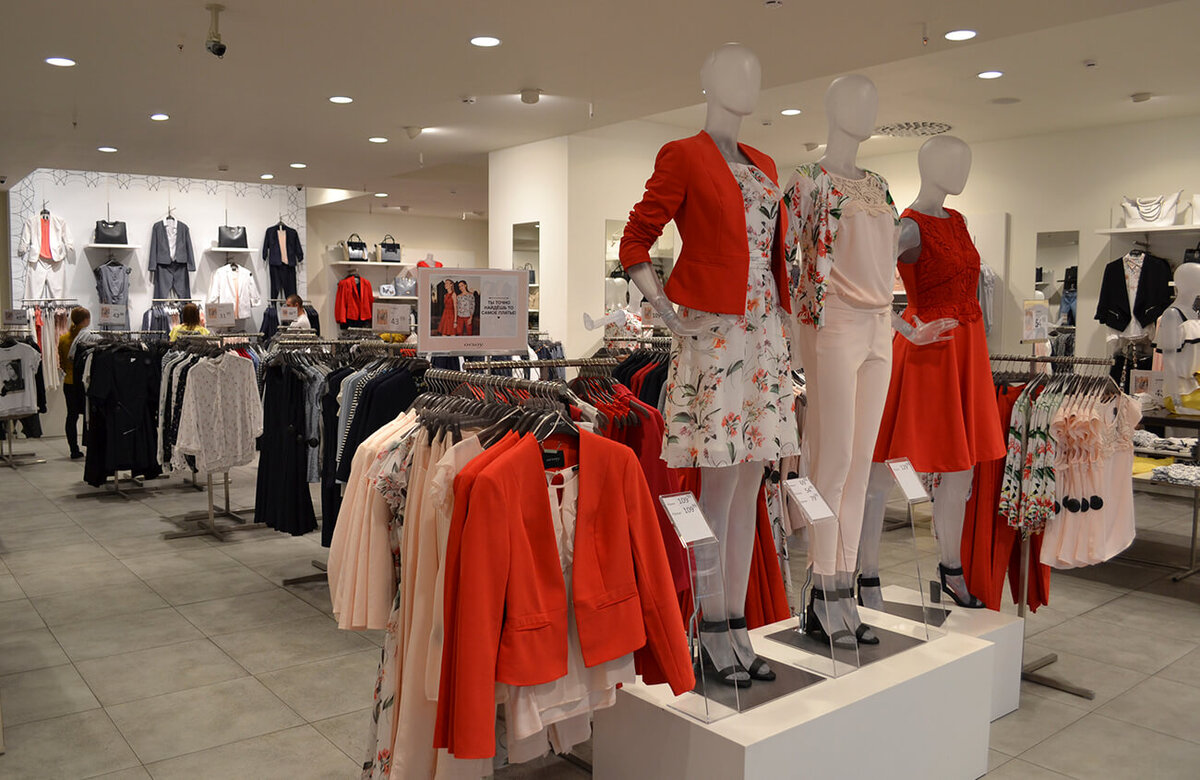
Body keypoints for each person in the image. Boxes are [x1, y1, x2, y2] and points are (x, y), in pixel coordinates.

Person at [57, 306, 90, 459]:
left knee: (72, 416)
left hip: (69, 382)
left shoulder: (63, 339)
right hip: (84, 382)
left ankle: (74, 449)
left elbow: (62, 363)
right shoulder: (88, 338)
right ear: (85, 320)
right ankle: (92, 446)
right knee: (90, 414)